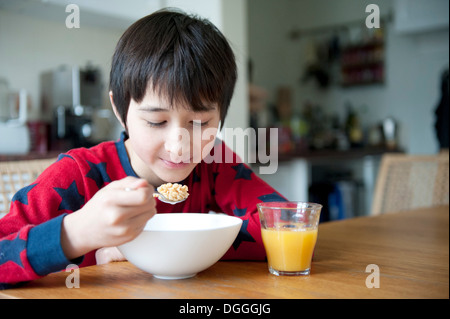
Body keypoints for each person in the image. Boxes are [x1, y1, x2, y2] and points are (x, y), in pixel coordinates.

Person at [0, 8, 286, 289]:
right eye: (156, 121)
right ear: (119, 109)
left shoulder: (213, 163)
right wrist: (75, 233)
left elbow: (287, 225)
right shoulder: (79, 174)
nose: (178, 146)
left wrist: (165, 248)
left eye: (199, 123)